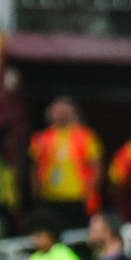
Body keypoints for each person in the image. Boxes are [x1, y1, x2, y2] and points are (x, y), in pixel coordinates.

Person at [29, 96, 102, 231]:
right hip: (49, 197)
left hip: (76, 197)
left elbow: (96, 166)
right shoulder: (41, 138)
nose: (62, 113)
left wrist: (89, 192)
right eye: (58, 110)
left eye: (66, 110)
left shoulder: (86, 136)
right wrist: (36, 194)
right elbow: (35, 168)